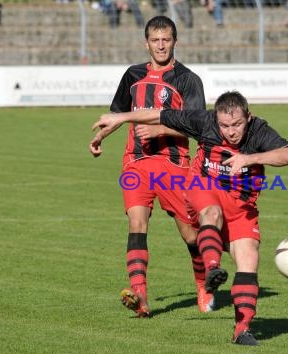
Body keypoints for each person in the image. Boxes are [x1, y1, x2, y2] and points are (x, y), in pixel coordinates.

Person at [91, 91, 288, 345]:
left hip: (242, 205)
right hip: (203, 188)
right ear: (216, 119)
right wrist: (121, 117)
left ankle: (242, 329)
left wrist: (250, 158)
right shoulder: (204, 120)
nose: (230, 132)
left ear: (248, 117)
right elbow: (159, 114)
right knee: (211, 213)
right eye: (224, 126)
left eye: (237, 125)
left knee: (249, 258)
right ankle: (212, 268)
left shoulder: (259, 130)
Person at [88, 16, 211, 318]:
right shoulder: (132, 75)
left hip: (174, 165)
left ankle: (202, 284)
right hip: (136, 162)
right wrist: (101, 135)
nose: (160, 45)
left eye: (165, 40)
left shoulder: (187, 80)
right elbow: (118, 114)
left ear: (175, 41)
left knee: (190, 235)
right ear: (146, 43)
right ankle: (140, 295)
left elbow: (200, 128)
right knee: (136, 224)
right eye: (155, 40)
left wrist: (162, 131)